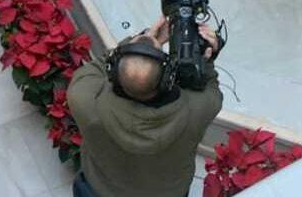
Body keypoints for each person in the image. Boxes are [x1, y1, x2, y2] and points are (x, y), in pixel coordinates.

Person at [67, 17, 223, 197]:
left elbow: (100, 64)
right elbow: (210, 84)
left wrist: (139, 41)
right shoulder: (198, 110)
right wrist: (205, 56)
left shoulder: (83, 98)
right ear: (167, 79)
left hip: (99, 188)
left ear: (115, 70)